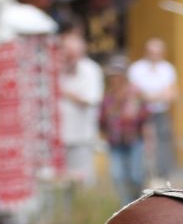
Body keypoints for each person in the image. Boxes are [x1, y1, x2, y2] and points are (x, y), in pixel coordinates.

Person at [128, 38, 178, 183]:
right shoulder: (136, 68)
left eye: (158, 53)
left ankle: (162, 179)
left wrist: (149, 96)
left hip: (161, 113)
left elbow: (171, 94)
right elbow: (135, 93)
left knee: (163, 146)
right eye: (152, 52)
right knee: (142, 147)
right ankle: (142, 178)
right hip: (141, 115)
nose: (155, 55)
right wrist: (157, 95)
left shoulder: (167, 68)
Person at [57, 30, 104, 185]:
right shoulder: (56, 68)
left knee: (82, 183)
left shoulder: (91, 70)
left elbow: (90, 99)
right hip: (58, 137)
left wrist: (64, 92)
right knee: (59, 183)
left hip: (82, 136)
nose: (67, 57)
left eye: (71, 54)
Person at [100, 58, 148, 204]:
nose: (114, 79)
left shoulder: (135, 93)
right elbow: (102, 119)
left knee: (136, 175)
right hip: (115, 142)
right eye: (112, 76)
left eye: (117, 75)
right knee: (117, 176)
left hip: (134, 140)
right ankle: (126, 206)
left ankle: (138, 201)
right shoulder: (108, 97)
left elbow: (144, 115)